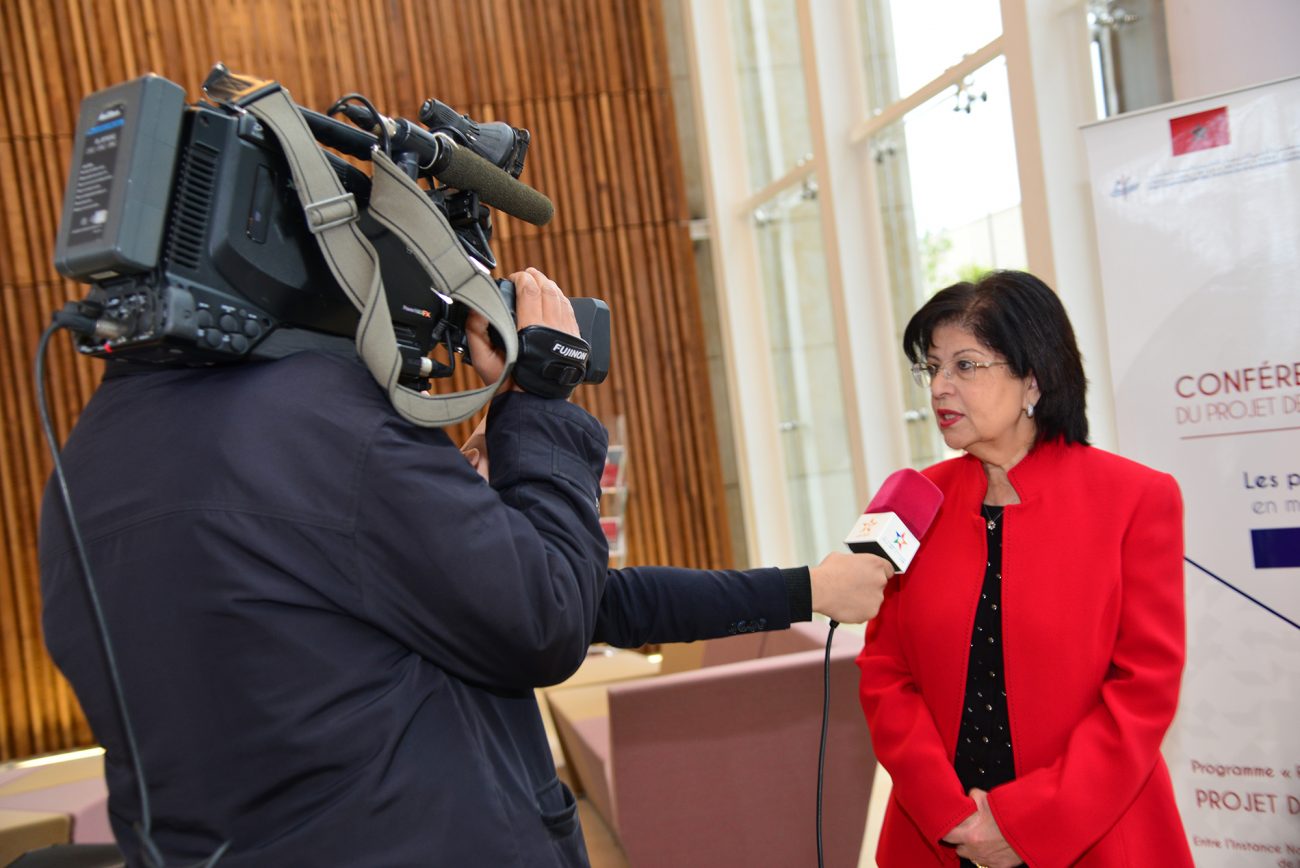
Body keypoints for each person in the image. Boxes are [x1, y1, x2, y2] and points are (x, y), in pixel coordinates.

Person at [39, 267, 893, 867]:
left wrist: (807, 590)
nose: (473, 467)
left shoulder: (94, 463)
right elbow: (559, 611)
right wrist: (538, 404)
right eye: (470, 457)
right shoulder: (357, 493)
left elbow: (611, 601)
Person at [857, 270, 1192, 868]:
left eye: (965, 365)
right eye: (932, 367)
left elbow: (1143, 690)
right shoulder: (909, 502)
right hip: (937, 836)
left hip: (1091, 835)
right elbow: (884, 673)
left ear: (1032, 378)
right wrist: (951, 816)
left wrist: (1026, 823)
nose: (940, 387)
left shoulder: (1135, 498)